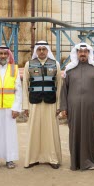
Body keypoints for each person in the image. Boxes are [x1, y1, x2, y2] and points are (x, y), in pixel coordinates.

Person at [60, 43, 94, 171]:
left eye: (85, 51)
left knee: (90, 134)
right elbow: (64, 90)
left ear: (89, 53)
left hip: (91, 108)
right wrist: (63, 107)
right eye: (80, 52)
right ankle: (75, 162)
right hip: (73, 109)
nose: (82, 54)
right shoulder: (69, 68)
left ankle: (90, 161)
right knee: (74, 134)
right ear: (76, 53)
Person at [22, 40, 63, 169]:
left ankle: (52, 158)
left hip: (51, 104)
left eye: (43, 49)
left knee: (50, 132)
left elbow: (59, 86)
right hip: (34, 103)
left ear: (47, 50)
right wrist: (25, 106)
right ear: (36, 51)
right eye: (39, 49)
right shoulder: (29, 64)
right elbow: (25, 86)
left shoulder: (55, 64)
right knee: (34, 132)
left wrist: (59, 106)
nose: (41, 51)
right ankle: (33, 159)